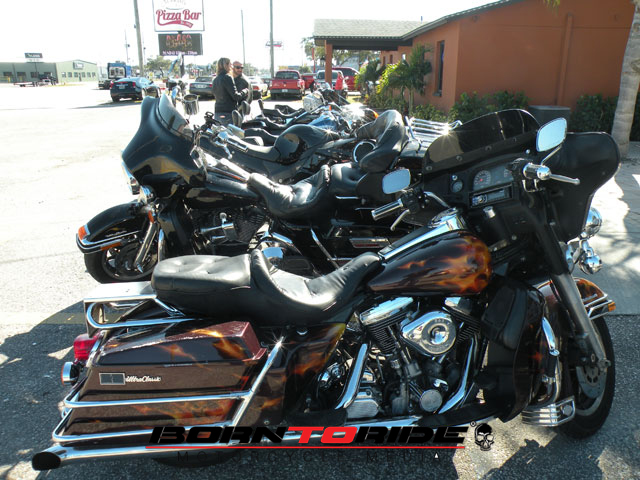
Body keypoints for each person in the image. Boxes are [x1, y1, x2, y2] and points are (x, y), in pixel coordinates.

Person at [212, 57, 248, 126]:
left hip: (217, 112)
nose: (231, 67)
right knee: (231, 132)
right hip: (228, 112)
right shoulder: (227, 77)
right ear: (226, 65)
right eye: (230, 64)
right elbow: (236, 96)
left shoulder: (215, 79)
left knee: (220, 132)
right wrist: (245, 91)